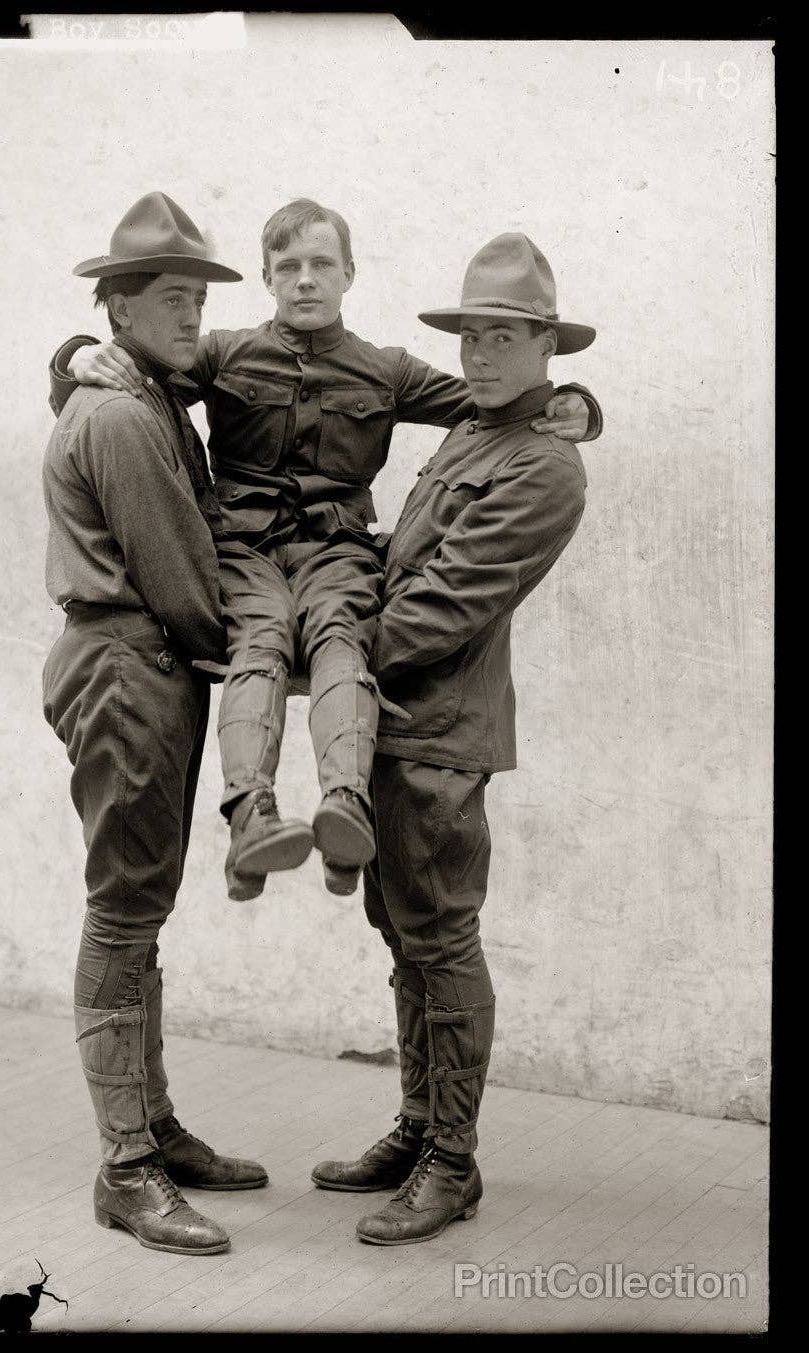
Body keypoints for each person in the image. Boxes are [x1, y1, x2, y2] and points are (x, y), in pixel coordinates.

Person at [48, 200, 603, 902]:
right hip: (245, 554)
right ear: (266, 278)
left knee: (344, 641)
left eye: (321, 264)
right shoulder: (222, 354)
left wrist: (576, 402)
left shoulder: (387, 371)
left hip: (338, 554)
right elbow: (139, 372)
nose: (305, 279)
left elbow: (492, 398)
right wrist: (72, 356)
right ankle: (251, 815)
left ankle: (347, 808)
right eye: (288, 267)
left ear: (349, 274)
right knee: (259, 642)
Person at [310, 232, 596, 1246]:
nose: (479, 353)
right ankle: (417, 1124)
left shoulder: (545, 465)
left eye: (503, 336)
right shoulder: (473, 430)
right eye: (470, 335)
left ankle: (453, 1160)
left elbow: (443, 604)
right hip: (389, 724)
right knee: (400, 931)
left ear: (548, 344)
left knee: (440, 936)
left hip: (440, 733)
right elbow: (407, 558)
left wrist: (334, 659)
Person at [41, 191, 268, 1258]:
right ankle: (126, 1167)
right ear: (120, 309)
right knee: (123, 914)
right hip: (129, 669)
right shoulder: (125, 416)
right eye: (173, 298)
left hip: (148, 670)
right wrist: (268, 657)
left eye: (199, 299)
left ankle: (155, 1128)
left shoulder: (148, 393)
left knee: (141, 909)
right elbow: (182, 580)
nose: (193, 316)